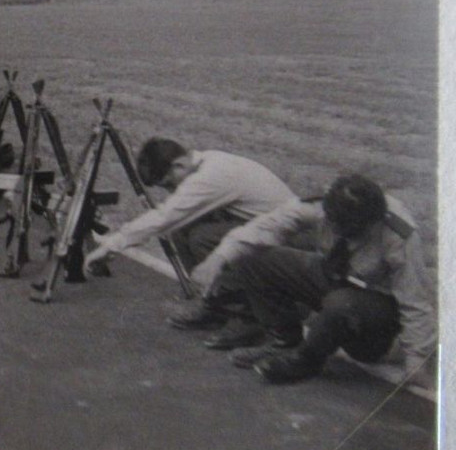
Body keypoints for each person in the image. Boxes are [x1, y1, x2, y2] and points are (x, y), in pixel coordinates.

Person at [194, 173, 436, 384]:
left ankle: (307, 361)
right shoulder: (316, 206)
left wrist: (417, 357)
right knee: (252, 258)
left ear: (373, 220)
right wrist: (218, 258)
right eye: (341, 228)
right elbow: (262, 229)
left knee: (341, 303)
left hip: (376, 310)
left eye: (356, 231)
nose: (348, 237)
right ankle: (284, 341)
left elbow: (415, 300)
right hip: (334, 276)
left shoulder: (399, 235)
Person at [84, 137, 303, 346]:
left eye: (169, 184)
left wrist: (112, 244)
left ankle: (247, 316)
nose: (172, 191)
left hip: (291, 239)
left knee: (202, 238)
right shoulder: (206, 162)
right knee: (183, 230)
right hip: (266, 226)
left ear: (179, 165)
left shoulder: (212, 176)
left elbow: (164, 217)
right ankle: (217, 305)